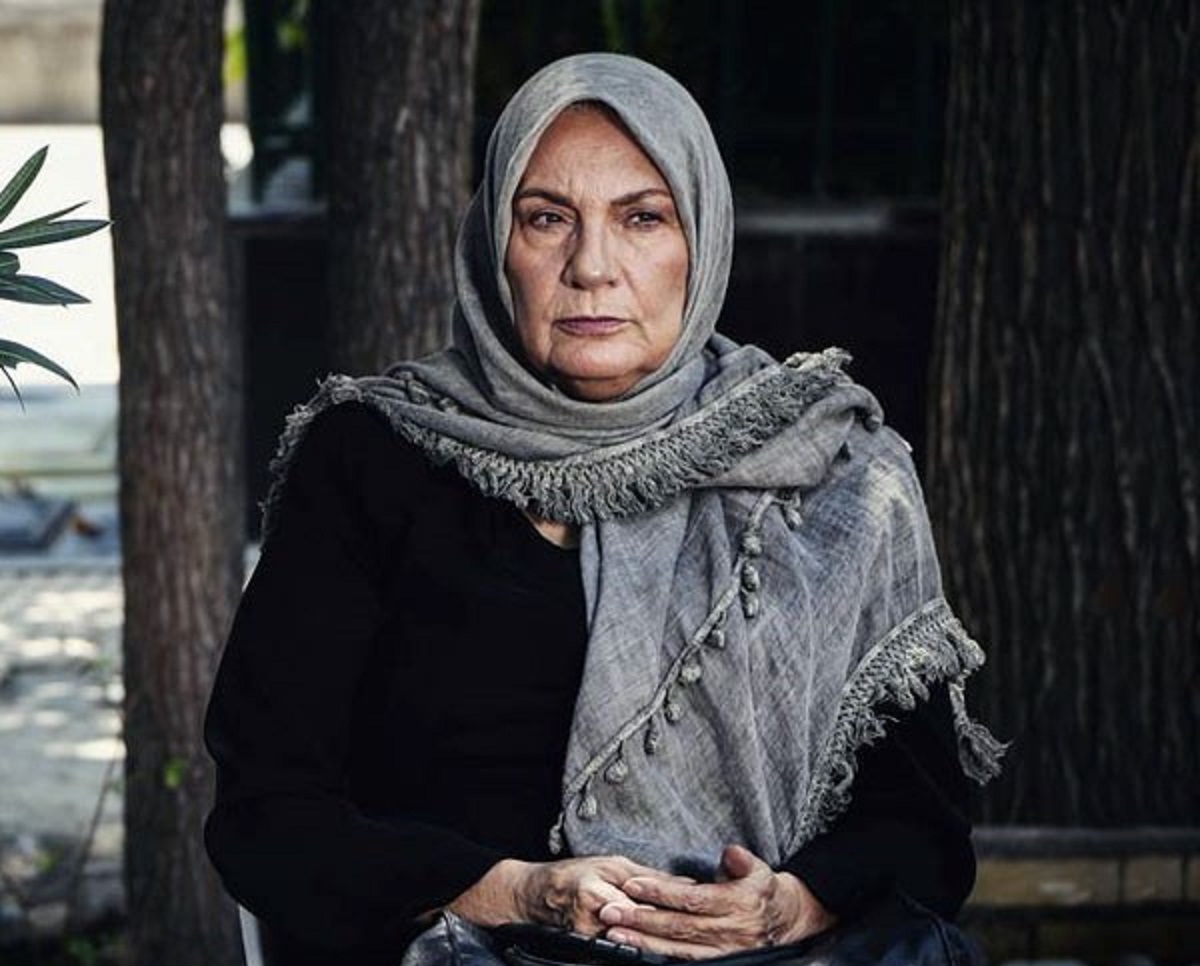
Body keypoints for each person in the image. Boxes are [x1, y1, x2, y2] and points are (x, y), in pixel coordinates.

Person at [204, 53, 1003, 965]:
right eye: (546, 218)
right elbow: (268, 816)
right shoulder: (372, 458)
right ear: (493, 242)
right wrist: (516, 893)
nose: (591, 267)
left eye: (643, 218)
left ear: (702, 238)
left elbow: (922, 831)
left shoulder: (832, 466)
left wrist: (788, 907)